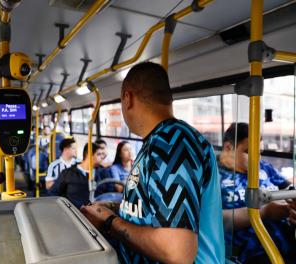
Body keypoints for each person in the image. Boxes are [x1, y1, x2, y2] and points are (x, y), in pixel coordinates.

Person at [80, 62, 225, 263]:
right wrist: (116, 207)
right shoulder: (158, 142)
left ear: (127, 98)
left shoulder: (173, 144)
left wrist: (109, 221)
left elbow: (177, 252)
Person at [219, 122, 296, 263]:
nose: (257, 159)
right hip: (250, 254)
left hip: (286, 244)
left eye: (259, 153)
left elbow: (291, 189)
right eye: (249, 152)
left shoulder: (265, 168)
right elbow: (217, 220)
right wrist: (265, 211)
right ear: (228, 147)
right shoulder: (215, 176)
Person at [50, 143, 104, 208]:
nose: (102, 157)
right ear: (88, 155)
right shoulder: (68, 173)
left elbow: (108, 193)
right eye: (98, 154)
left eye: (102, 154)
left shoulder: (103, 173)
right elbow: (53, 193)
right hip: (73, 211)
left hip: (98, 211)